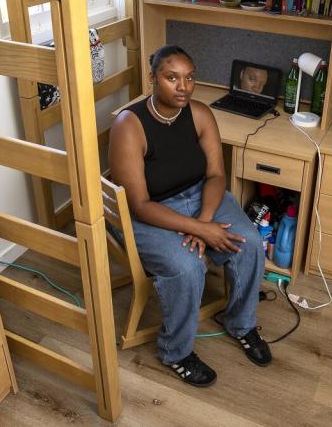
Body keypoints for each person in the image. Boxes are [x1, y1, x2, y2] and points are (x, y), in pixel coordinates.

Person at [108, 45, 272, 387]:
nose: (183, 87)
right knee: (187, 266)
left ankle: (240, 324)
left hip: (201, 197)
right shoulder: (129, 125)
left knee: (251, 242)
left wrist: (206, 221)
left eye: (189, 78)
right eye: (172, 78)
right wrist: (199, 228)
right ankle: (176, 352)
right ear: (152, 78)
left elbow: (216, 175)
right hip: (152, 211)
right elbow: (139, 204)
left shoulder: (200, 114)